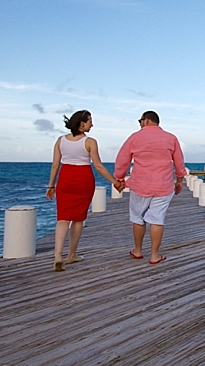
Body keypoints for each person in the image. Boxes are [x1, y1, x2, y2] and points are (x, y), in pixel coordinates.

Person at [46, 110, 125, 272]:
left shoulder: (60, 140)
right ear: (82, 123)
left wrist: (51, 185)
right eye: (90, 121)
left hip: (65, 178)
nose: (92, 124)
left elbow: (55, 165)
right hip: (83, 178)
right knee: (78, 218)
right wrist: (115, 182)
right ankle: (71, 255)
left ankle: (58, 256)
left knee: (62, 218)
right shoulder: (90, 142)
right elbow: (98, 166)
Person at [113, 111, 186, 264]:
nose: (140, 124)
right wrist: (179, 181)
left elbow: (122, 160)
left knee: (138, 218)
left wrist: (119, 179)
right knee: (157, 218)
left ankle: (138, 251)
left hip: (140, 185)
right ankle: (154, 255)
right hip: (163, 186)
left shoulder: (135, 137)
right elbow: (179, 163)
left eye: (140, 121)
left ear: (146, 121)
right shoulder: (171, 138)